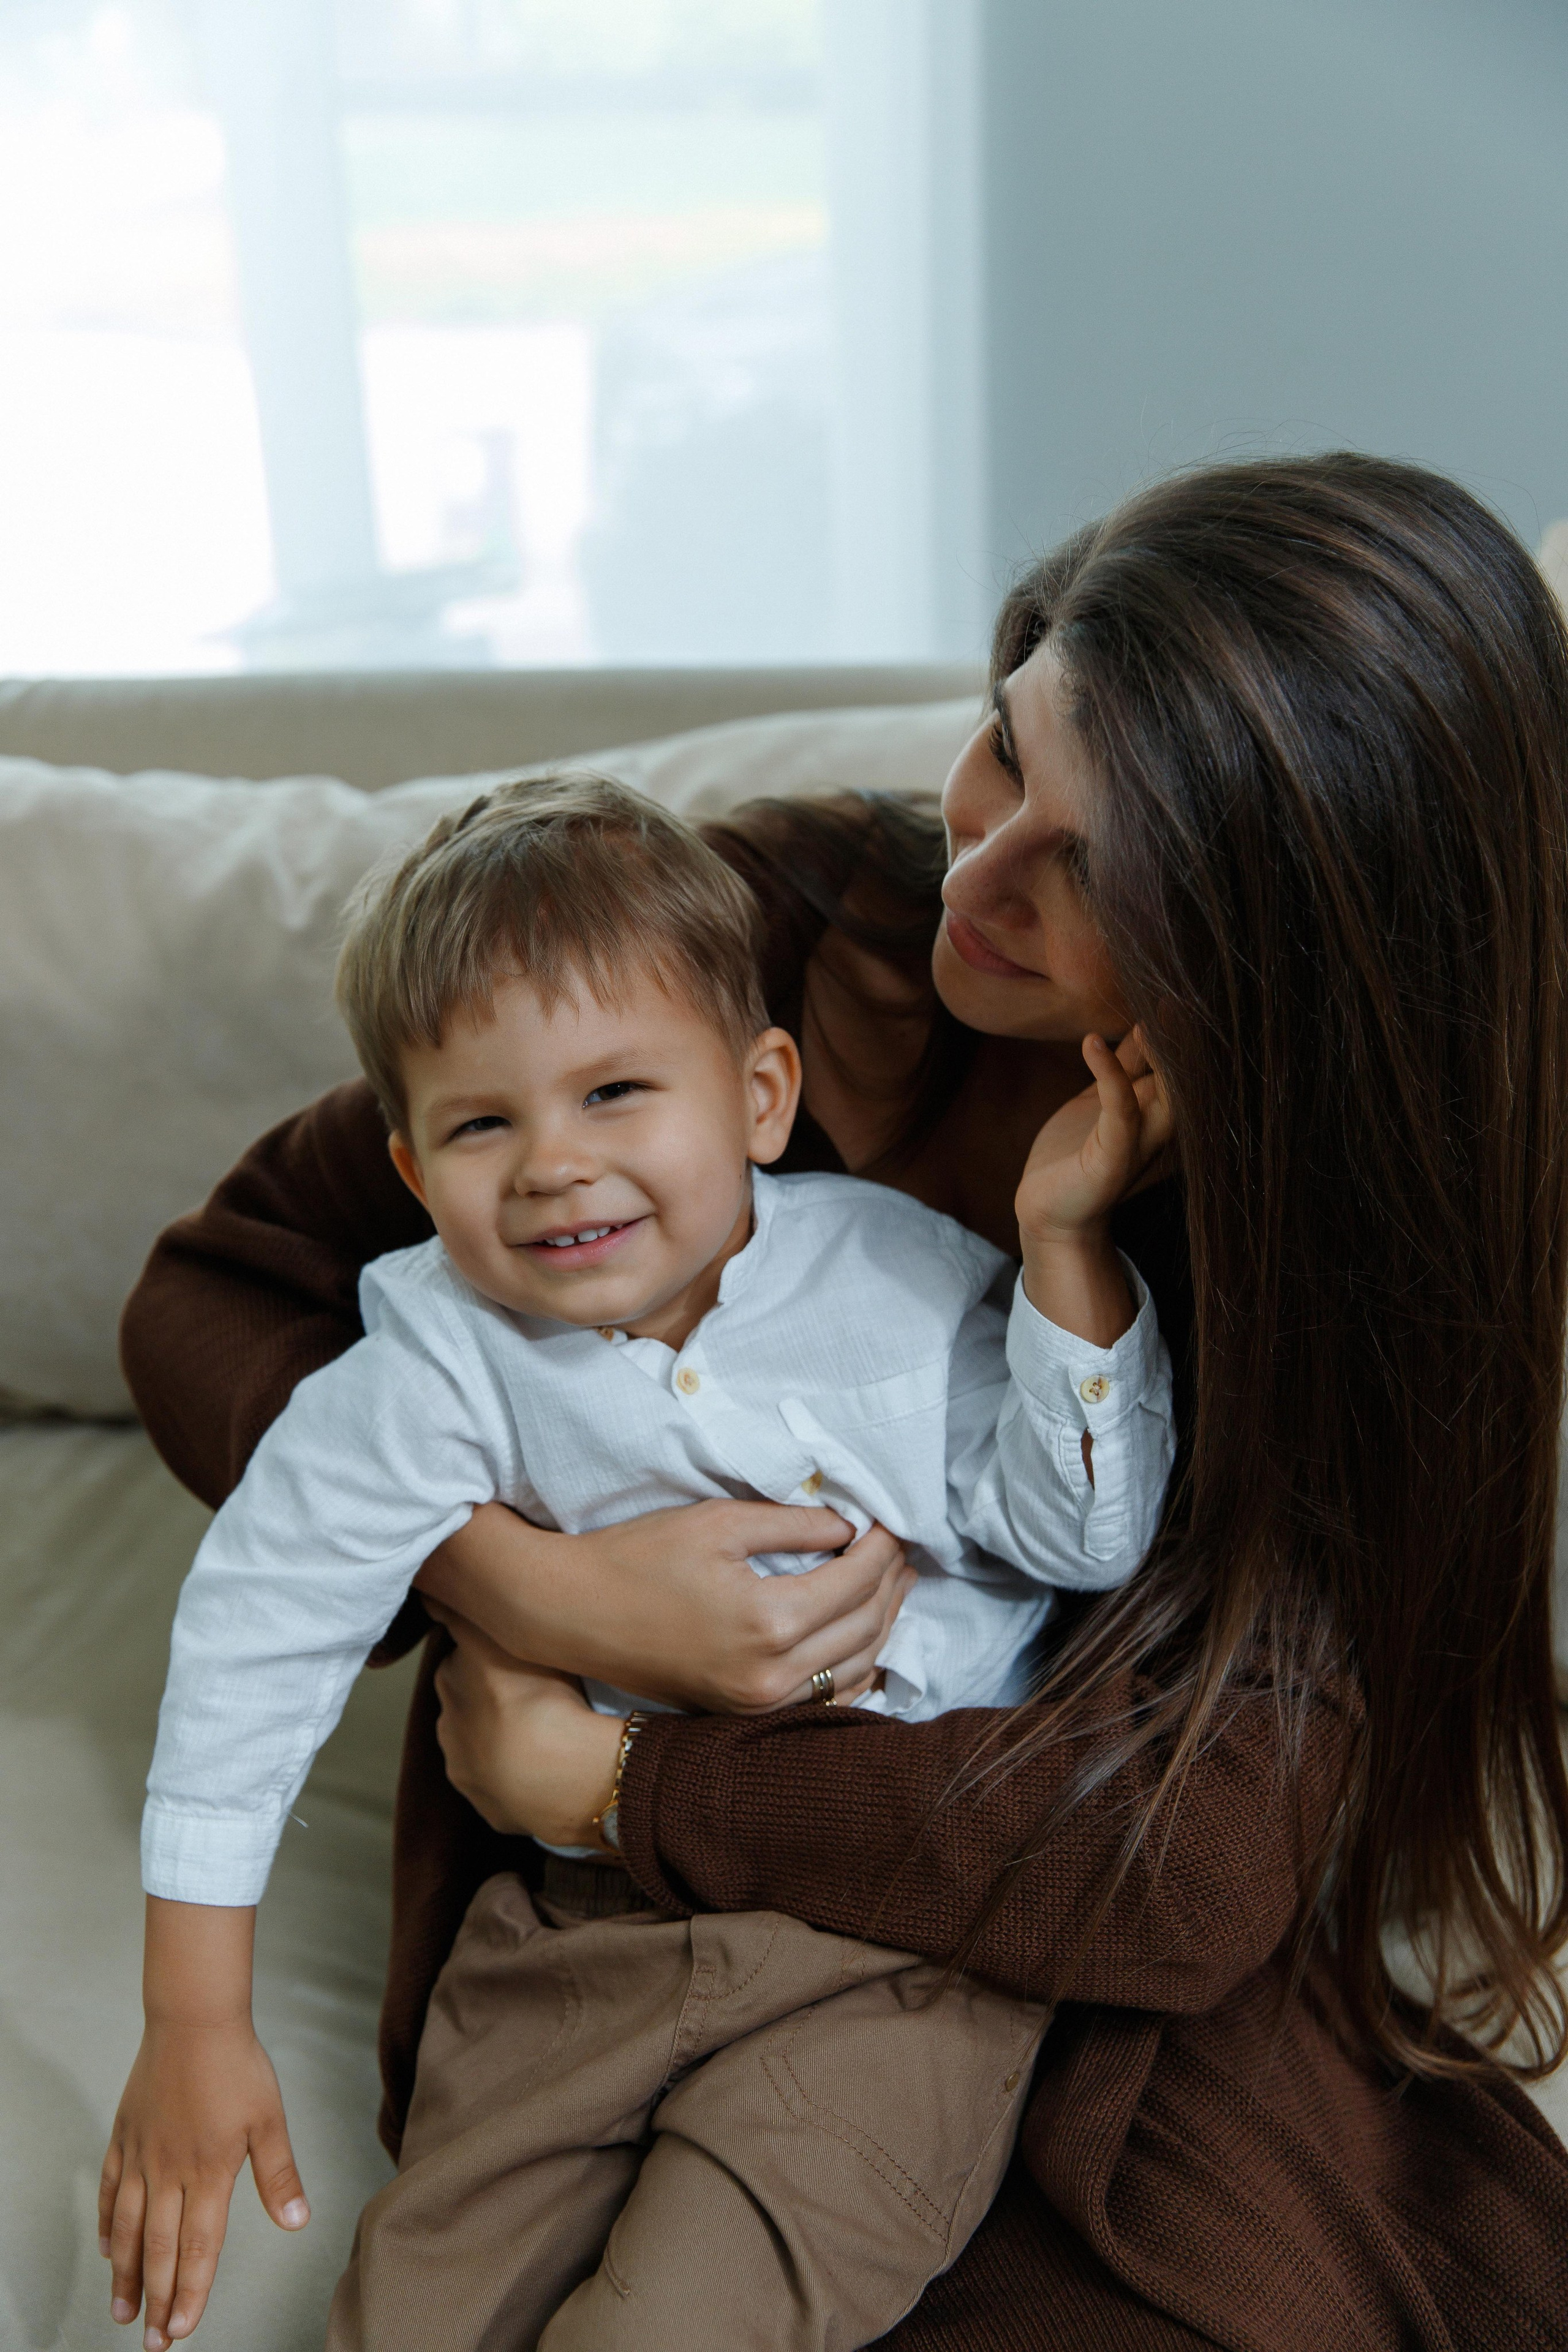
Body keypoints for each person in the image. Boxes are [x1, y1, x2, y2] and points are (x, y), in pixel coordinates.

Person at [110, 453, 1568, 2351]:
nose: (978, 873)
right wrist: (527, 1591)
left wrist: (635, 1776)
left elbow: (1192, 1862)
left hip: (981, 1935)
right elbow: (221, 1292)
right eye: (1000, 750)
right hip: (583, 1928)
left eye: (1098, 869)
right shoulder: (786, 926)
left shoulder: (1334, 1272)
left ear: (1273, 967)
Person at [105, 773, 1174, 2350]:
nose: (551, 1163)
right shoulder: (435, 1361)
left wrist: (1069, 1251)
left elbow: (1077, 1531)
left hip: (890, 1950)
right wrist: (193, 2019)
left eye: (615, 1094)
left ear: (758, 1096)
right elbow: (258, 1633)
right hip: (573, 1926)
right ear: (410, 1170)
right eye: (482, 1122)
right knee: (416, 2310)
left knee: (682, 2319)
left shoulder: (905, 1287)